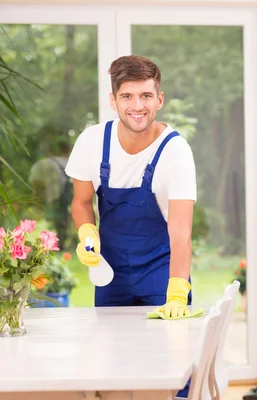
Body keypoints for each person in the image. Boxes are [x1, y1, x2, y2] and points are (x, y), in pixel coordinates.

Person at [65, 55, 197, 397]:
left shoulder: (175, 152)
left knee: (173, 370)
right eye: (127, 96)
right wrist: (86, 232)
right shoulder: (92, 142)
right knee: (112, 368)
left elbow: (181, 232)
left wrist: (178, 290)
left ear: (160, 99)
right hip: (111, 275)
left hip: (160, 271)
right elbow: (81, 202)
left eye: (146, 96)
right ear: (113, 100)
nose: (137, 106)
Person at [29, 126, 75, 247]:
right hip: (66, 199)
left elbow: (35, 182)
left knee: (56, 222)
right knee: (62, 221)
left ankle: (58, 243)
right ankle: (62, 242)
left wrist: (37, 198)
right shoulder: (72, 161)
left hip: (53, 199)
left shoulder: (44, 164)